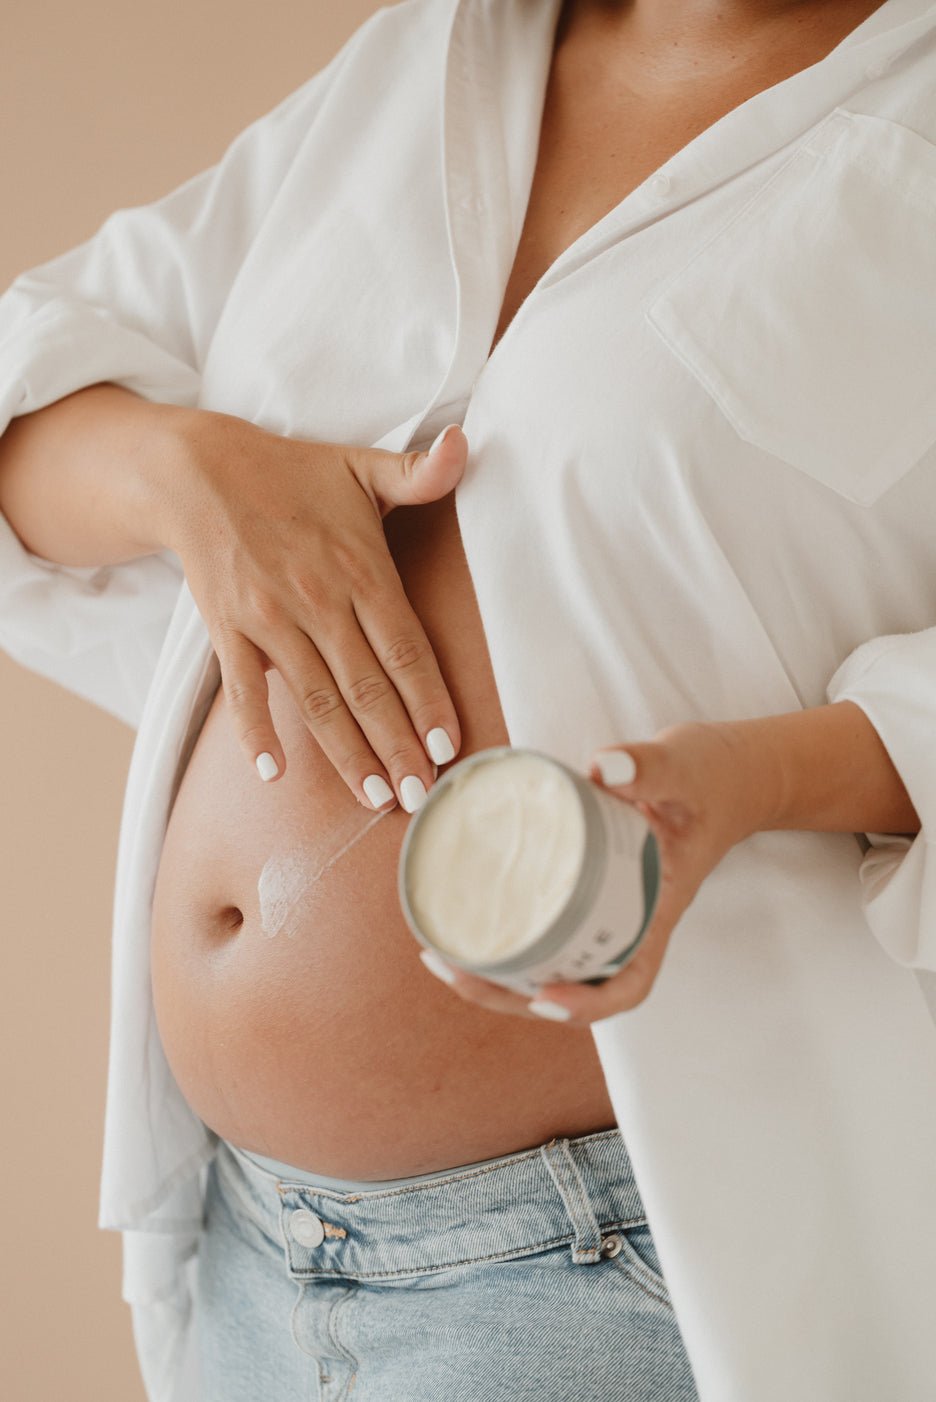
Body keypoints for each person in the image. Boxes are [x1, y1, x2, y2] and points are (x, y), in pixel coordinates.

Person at [2, 0, 936, 1397]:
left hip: (593, 1275)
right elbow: (32, 399)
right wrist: (194, 475)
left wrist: (748, 782)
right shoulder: (437, 54)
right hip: (243, 1246)